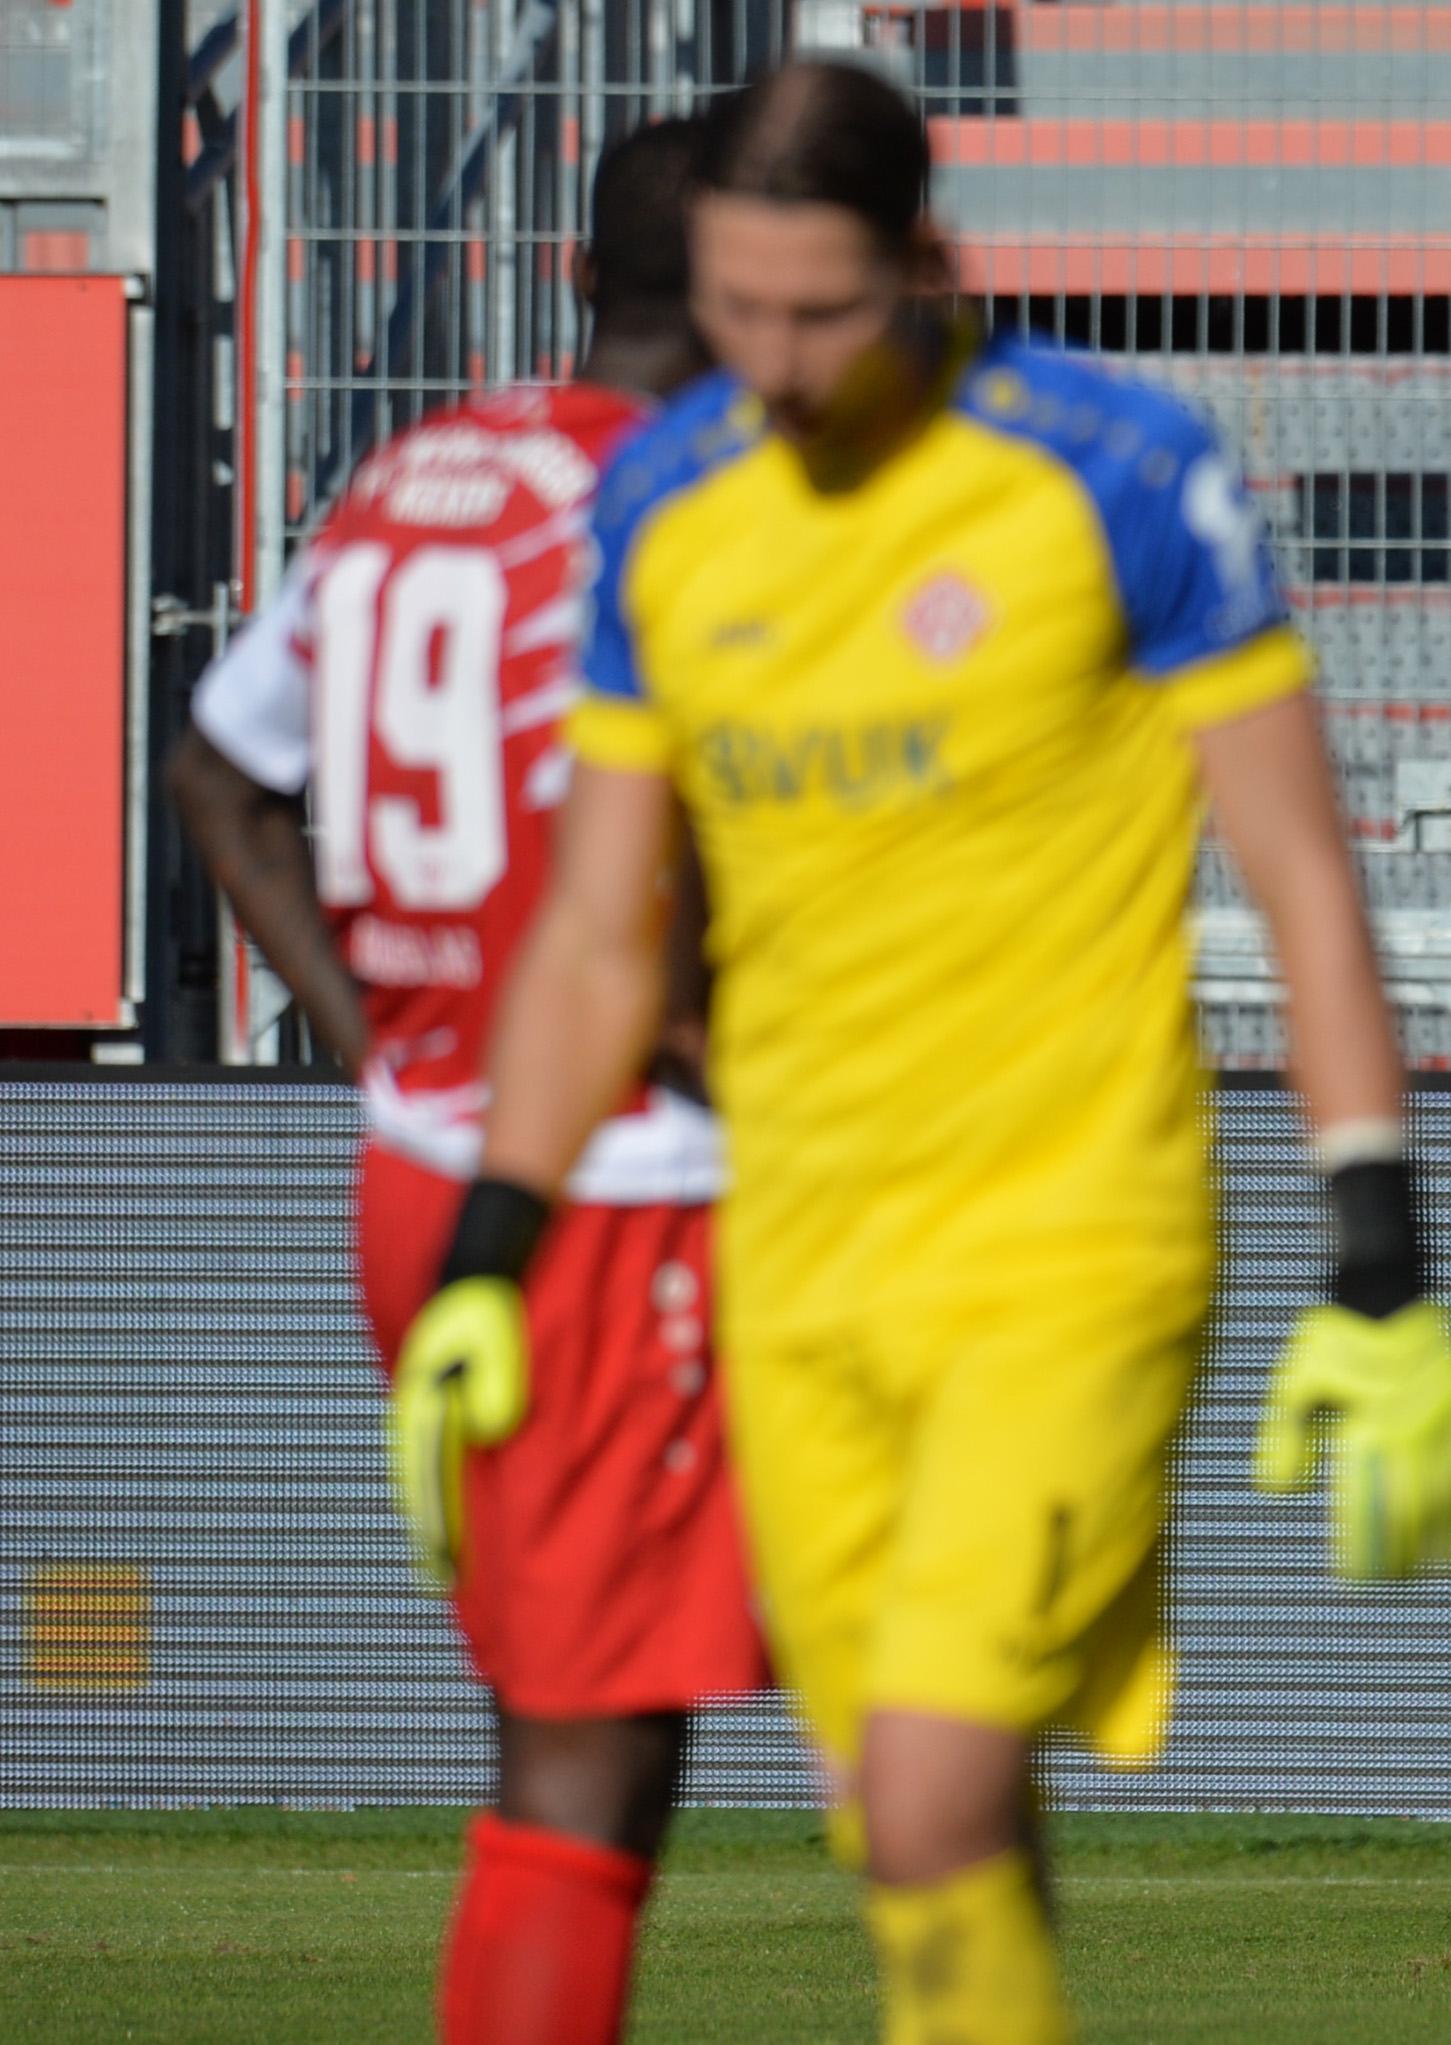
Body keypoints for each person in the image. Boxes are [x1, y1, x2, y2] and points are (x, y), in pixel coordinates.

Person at [385, 61, 1451, 2045]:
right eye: (736, 308)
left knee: (922, 1789)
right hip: (797, 1264)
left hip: (1068, 1246)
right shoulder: (662, 498)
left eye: (820, 311)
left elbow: (1303, 879)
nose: (775, 360)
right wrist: (493, 1243)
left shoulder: (1114, 466)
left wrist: (1380, 1255)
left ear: (925, 261)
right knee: (915, 1826)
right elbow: (598, 932)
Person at [166, 120, 763, 2045]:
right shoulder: (684, 510)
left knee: (571, 1706)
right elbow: (675, 883)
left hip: (432, 1165)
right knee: (598, 1744)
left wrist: (389, 1049)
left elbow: (219, 771)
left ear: (580, 274)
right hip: (619, 1184)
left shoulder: (414, 475)